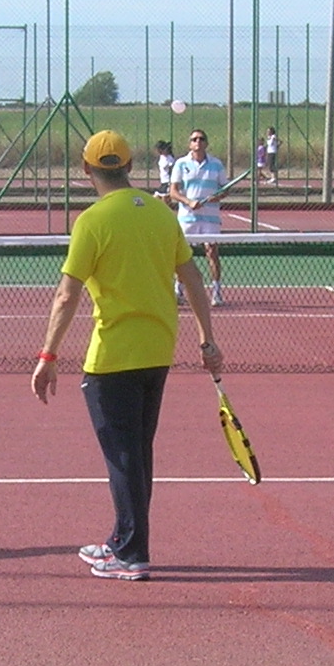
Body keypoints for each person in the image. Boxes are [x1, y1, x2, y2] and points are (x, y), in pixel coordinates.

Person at [30, 130, 221, 582]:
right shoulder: (160, 214)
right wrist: (207, 339)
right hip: (158, 352)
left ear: (86, 169)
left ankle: (132, 553)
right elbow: (193, 278)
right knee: (136, 452)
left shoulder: (92, 221)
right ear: (130, 166)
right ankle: (122, 539)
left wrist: (48, 356)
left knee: (123, 456)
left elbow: (66, 295)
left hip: (112, 358)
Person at [168, 127, 228, 302]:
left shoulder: (216, 164)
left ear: (206, 143)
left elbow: (225, 190)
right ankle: (179, 290)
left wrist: (216, 197)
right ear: (190, 144)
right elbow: (173, 192)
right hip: (187, 219)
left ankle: (216, 292)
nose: (198, 142)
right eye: (194, 139)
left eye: (201, 139)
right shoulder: (181, 164)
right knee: (182, 254)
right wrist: (189, 202)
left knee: (212, 252)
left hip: (210, 219)